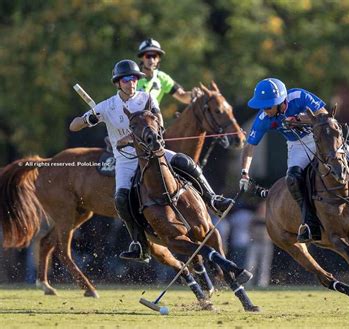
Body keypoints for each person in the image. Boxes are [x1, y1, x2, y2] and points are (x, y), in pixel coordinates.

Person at [69, 59, 233, 263]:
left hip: (153, 153)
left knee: (185, 162)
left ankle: (213, 199)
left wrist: (137, 136)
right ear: (118, 82)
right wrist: (88, 120)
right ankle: (140, 244)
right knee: (121, 199)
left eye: (135, 79)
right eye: (127, 79)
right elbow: (73, 126)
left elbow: (158, 123)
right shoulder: (107, 106)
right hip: (126, 159)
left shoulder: (146, 98)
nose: (132, 83)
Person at [239, 78, 349, 243]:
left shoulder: (299, 96)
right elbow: (250, 145)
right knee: (293, 179)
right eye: (262, 106)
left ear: (280, 101)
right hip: (297, 145)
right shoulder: (264, 118)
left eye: (268, 106)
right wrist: (244, 173)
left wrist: (299, 119)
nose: (265, 110)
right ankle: (309, 223)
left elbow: (325, 115)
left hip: (322, 137)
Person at [136, 38, 194, 107]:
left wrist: (194, 94)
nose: (151, 60)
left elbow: (182, 96)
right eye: (148, 56)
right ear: (141, 58)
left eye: (154, 56)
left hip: (153, 116)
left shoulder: (163, 78)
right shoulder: (131, 77)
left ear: (158, 59)